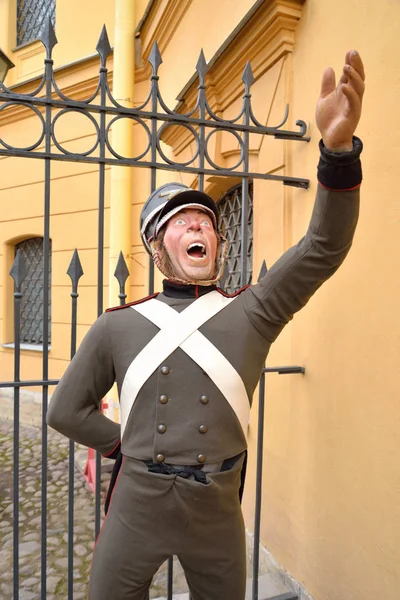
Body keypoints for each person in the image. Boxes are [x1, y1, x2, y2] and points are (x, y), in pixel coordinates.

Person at [47, 50, 365, 600]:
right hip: (135, 506)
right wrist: (124, 446)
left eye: (206, 221)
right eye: (180, 221)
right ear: (155, 245)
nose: (198, 224)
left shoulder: (254, 309)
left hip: (216, 509)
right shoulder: (116, 326)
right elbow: (63, 410)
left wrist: (336, 155)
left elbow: (324, 247)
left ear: (217, 243)